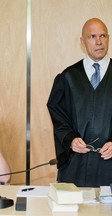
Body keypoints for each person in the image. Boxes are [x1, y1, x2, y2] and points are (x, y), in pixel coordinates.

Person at [47, 18, 112, 187]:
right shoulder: (68, 78)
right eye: (92, 37)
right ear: (82, 42)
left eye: (103, 36)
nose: (99, 42)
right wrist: (70, 139)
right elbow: (57, 114)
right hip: (76, 164)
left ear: (108, 39)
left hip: (109, 163)